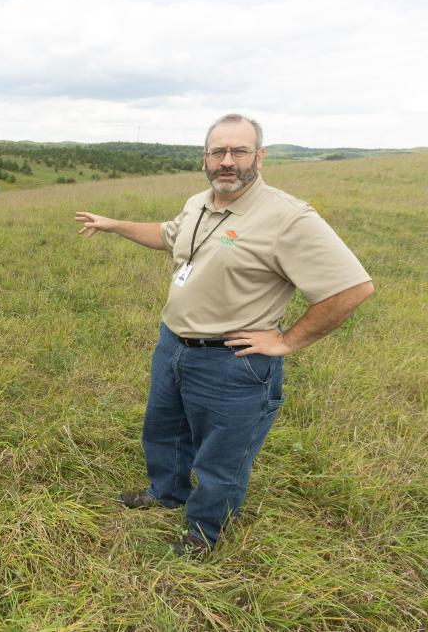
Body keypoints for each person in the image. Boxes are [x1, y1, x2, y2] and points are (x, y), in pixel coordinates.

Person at [74, 113, 374, 557]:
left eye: (239, 151)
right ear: (205, 159)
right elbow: (168, 235)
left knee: (222, 457)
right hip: (173, 345)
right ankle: (166, 493)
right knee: (163, 432)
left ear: (259, 156)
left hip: (232, 362)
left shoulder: (287, 217)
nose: (227, 161)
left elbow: (353, 287)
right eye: (218, 152)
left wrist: (287, 341)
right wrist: (114, 224)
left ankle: (203, 532)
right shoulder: (200, 203)